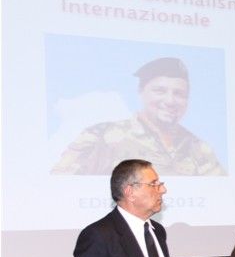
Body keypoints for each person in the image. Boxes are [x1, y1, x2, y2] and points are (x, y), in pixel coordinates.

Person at [52, 57, 225, 176]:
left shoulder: (199, 148)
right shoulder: (101, 137)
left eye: (179, 94)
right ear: (141, 92)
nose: (170, 101)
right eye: (160, 91)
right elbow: (60, 187)